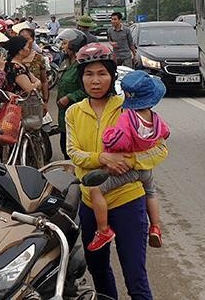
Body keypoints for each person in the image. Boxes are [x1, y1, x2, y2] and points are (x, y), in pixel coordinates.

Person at [66, 44, 167, 300]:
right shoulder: (73, 112)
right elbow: (73, 152)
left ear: (112, 76)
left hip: (128, 201)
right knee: (98, 270)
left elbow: (160, 150)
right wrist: (103, 158)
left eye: (102, 73)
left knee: (135, 275)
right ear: (81, 78)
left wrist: (131, 161)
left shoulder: (130, 107)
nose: (95, 80)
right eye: (89, 74)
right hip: (90, 203)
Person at [87, 70, 170, 252]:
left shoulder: (127, 117)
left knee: (96, 190)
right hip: (145, 168)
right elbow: (165, 133)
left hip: (127, 169)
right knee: (151, 192)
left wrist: (108, 136)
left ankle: (103, 230)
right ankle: (155, 226)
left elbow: (118, 141)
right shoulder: (155, 118)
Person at [54, 28, 89, 159]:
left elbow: (87, 90)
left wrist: (69, 97)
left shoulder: (82, 66)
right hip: (64, 116)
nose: (62, 46)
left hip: (78, 117)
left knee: (74, 151)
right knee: (65, 147)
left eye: (65, 43)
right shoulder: (66, 62)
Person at [13, 29, 50, 107]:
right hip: (18, 103)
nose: (24, 42)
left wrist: (45, 100)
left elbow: (44, 81)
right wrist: (37, 84)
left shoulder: (39, 58)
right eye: (21, 39)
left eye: (27, 39)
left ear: (33, 40)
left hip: (35, 101)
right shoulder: (15, 61)